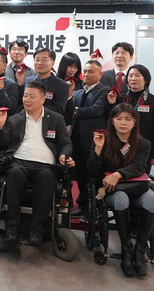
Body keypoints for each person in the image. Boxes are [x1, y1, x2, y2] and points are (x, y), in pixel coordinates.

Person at [0, 80, 73, 246]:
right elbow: (2, 143)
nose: (27, 100)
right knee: (14, 175)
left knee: (47, 178)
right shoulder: (15, 119)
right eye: (25, 96)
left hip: (46, 164)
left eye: (32, 96)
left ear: (43, 99)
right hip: (19, 161)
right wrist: (1, 125)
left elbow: (65, 143)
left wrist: (64, 155)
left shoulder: (56, 119)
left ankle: (37, 231)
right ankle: (12, 229)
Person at [87, 103, 154, 277]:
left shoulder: (143, 143)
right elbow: (92, 171)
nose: (123, 123)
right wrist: (98, 151)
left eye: (128, 119)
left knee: (151, 198)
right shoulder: (103, 139)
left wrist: (117, 175)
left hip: (134, 187)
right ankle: (126, 249)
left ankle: (139, 250)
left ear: (134, 122)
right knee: (121, 198)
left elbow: (139, 166)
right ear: (112, 121)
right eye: (118, 118)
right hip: (112, 190)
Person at [70, 60, 110, 216]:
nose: (86, 74)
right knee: (80, 174)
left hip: (94, 140)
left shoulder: (104, 91)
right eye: (85, 71)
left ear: (100, 74)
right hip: (76, 139)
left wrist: (76, 111)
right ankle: (83, 205)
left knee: (93, 174)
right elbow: (70, 111)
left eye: (91, 71)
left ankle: (96, 206)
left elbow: (96, 110)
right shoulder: (78, 92)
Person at [108, 64, 154, 172]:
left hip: (142, 148)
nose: (133, 78)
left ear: (146, 80)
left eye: (137, 75)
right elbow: (113, 120)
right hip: (119, 146)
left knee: (140, 177)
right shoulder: (120, 99)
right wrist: (112, 104)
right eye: (130, 75)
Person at [22, 48, 69, 115]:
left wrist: (35, 109)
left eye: (44, 60)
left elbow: (59, 109)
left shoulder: (62, 85)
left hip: (49, 119)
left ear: (52, 63)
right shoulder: (28, 81)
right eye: (37, 60)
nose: (40, 63)